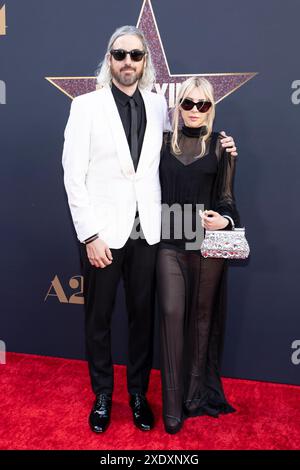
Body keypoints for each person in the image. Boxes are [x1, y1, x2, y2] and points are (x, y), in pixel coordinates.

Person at [62, 25, 238, 434]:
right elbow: (73, 176)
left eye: (136, 56)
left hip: (149, 232)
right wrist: (89, 234)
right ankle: (103, 394)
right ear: (110, 59)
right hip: (103, 234)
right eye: (120, 54)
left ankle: (138, 393)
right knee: (99, 318)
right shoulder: (85, 106)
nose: (128, 62)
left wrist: (226, 147)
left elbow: (187, 143)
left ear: (145, 63)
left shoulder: (159, 106)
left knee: (143, 318)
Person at [157, 76, 240, 434]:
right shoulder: (161, 144)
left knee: (202, 319)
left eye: (202, 104)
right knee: (173, 317)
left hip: (207, 245)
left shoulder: (223, 146)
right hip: (168, 244)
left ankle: (193, 397)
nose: (194, 110)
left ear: (211, 108)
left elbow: (227, 198)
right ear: (179, 106)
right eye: (188, 103)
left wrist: (223, 219)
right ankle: (172, 404)